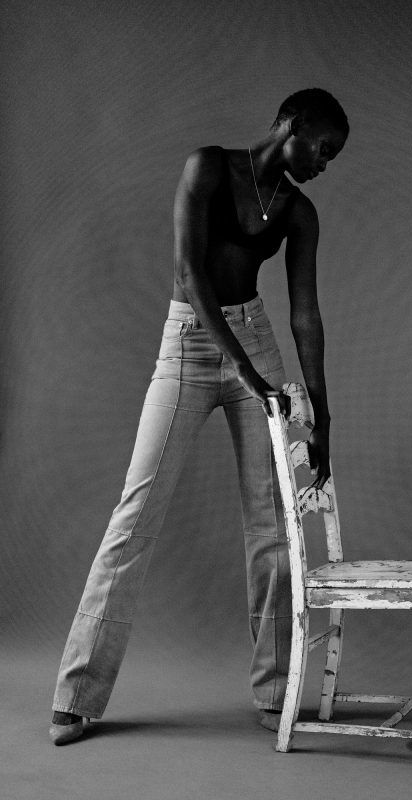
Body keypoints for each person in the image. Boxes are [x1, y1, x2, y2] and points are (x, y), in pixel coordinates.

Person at [49, 88, 348, 745]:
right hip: (188, 342)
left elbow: (305, 313)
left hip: (255, 340)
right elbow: (189, 271)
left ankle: (277, 691)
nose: (325, 164)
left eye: (332, 157)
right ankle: (77, 693)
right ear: (292, 125)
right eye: (323, 149)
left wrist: (321, 415)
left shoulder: (298, 211)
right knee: (135, 513)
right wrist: (241, 369)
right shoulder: (207, 167)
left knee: (274, 525)